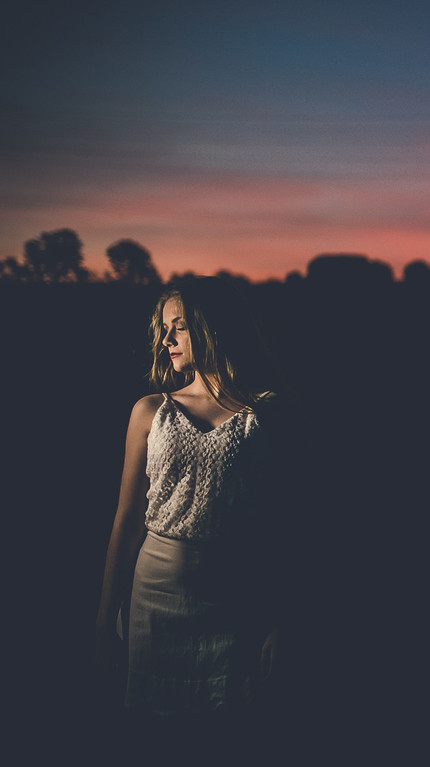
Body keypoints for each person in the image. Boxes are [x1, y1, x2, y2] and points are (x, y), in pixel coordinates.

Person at [95, 276, 292, 717]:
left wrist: (279, 621)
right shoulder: (150, 411)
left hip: (232, 603)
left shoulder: (264, 419)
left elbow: (280, 528)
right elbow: (126, 522)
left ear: (212, 327)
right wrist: (103, 623)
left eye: (179, 327)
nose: (166, 339)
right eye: (164, 329)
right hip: (153, 601)